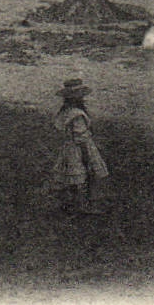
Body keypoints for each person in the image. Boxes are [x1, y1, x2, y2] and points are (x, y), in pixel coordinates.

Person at [49, 79, 108, 214]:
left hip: (68, 148)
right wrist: (86, 156)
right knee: (86, 174)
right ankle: (84, 205)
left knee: (72, 176)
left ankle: (72, 203)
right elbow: (81, 138)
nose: (82, 98)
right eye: (80, 95)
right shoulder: (77, 114)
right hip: (80, 148)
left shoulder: (65, 112)